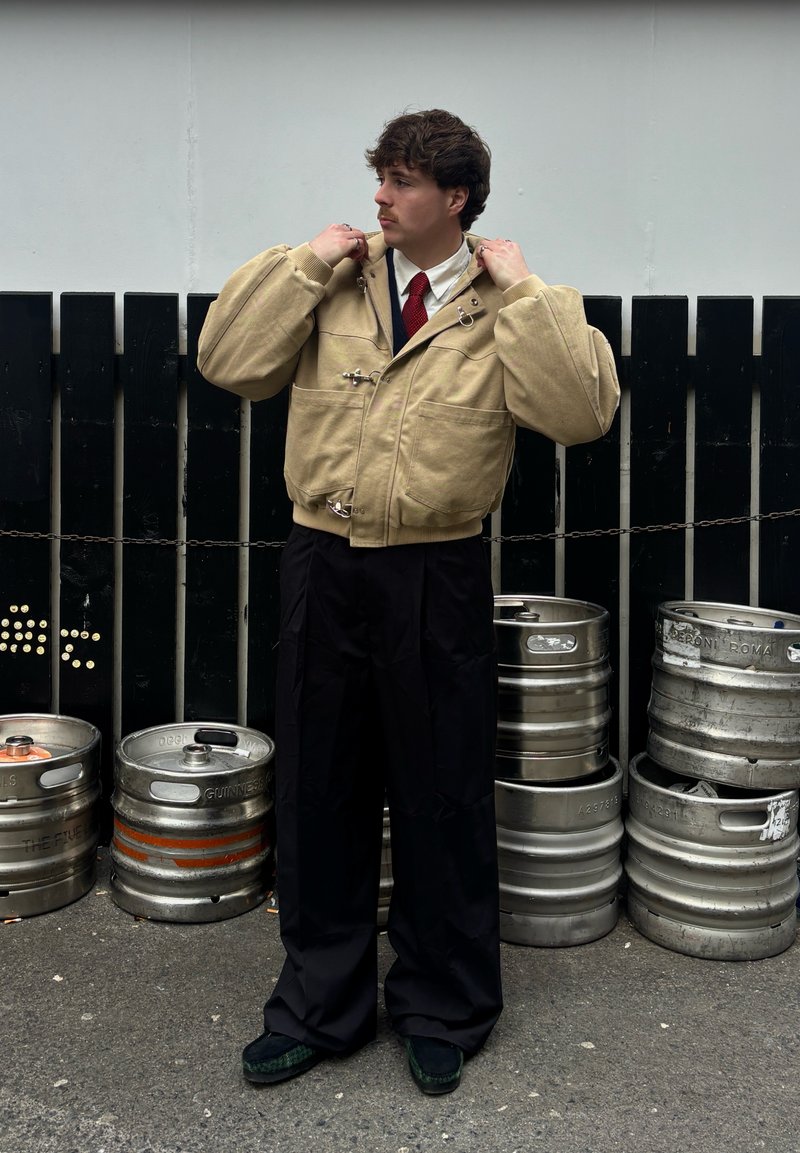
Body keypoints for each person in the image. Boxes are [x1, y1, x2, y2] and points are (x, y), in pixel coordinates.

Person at [197, 108, 620, 1096]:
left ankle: (443, 1006)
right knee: (319, 792)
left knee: (441, 796)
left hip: (435, 571)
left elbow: (578, 411)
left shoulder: (504, 296)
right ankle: (317, 1006)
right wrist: (302, 263)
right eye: (379, 176)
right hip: (323, 560)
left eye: (401, 181)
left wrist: (524, 293)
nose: (380, 196)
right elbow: (231, 364)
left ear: (456, 197)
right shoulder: (334, 277)